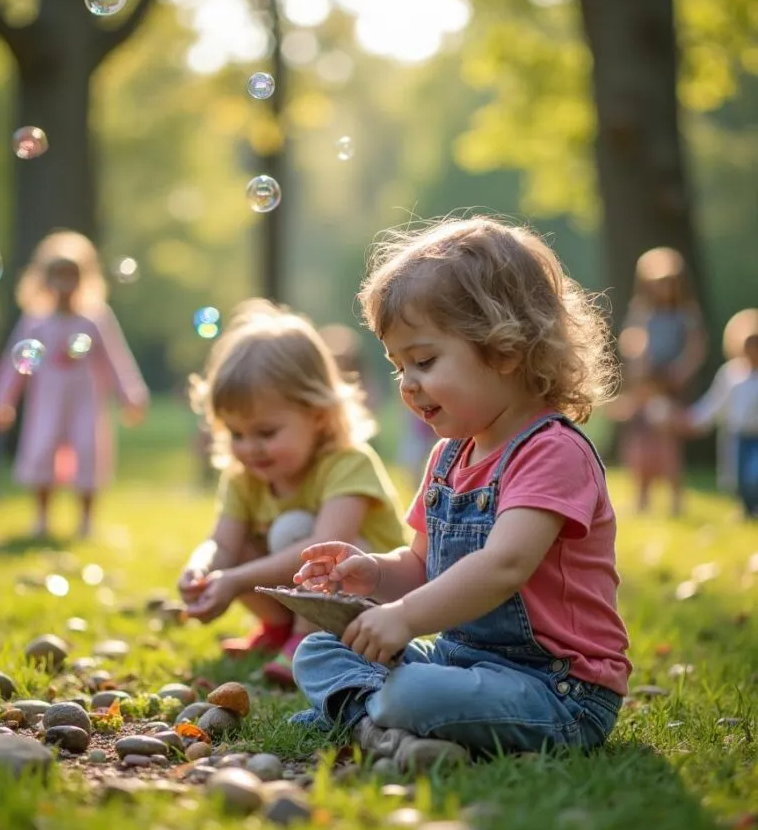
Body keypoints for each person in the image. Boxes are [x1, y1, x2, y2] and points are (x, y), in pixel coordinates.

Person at [290, 216, 631, 759]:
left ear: (505, 349)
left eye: (424, 360)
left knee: (417, 689)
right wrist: (375, 572)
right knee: (318, 650)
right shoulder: (449, 457)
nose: (408, 384)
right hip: (463, 663)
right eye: (398, 366)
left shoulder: (552, 452)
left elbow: (503, 567)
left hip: (557, 689)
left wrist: (403, 619)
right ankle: (378, 725)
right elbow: (424, 566)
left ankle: (374, 712)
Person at [179, 299, 406, 687]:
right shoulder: (244, 476)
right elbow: (222, 542)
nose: (250, 448)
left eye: (266, 433)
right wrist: (201, 568)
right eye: (236, 433)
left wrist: (234, 579)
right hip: (313, 592)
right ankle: (279, 628)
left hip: (374, 600)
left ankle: (308, 639)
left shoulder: (347, 463)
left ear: (318, 415)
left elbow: (327, 544)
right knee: (241, 548)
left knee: (294, 531)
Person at [0, 230, 149, 539]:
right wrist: (0, 401)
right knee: (42, 448)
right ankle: (42, 518)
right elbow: (14, 365)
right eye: (57, 274)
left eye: (71, 274)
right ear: (43, 279)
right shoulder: (36, 321)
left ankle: (86, 519)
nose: (64, 283)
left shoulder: (95, 319)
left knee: (88, 450)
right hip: (47, 399)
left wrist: (131, 395)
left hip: (86, 399)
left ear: (85, 278)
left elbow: (117, 360)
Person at [617, 247, 706, 516]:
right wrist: (638, 363)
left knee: (667, 442)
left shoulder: (685, 314)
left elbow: (695, 348)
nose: (662, 289)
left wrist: (681, 371)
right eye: (656, 283)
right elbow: (631, 342)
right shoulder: (642, 312)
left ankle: (676, 497)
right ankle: (642, 496)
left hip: (670, 384)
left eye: (668, 283)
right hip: (646, 384)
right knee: (641, 443)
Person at [683, 308, 758, 518]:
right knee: (737, 477)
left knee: (755, 476)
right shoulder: (732, 374)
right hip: (736, 434)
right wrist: (692, 420)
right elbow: (713, 404)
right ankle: (745, 509)